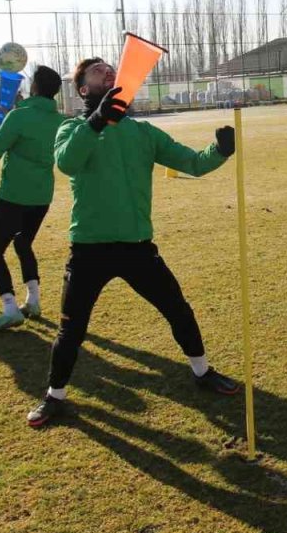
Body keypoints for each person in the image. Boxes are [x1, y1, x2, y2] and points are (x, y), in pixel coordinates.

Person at [28, 58, 241, 428]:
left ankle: (202, 373)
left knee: (177, 308)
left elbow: (192, 162)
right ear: (83, 89)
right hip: (89, 250)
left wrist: (219, 151)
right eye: (98, 71)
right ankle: (54, 397)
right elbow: (66, 162)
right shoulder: (71, 128)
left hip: (137, 247)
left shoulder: (143, 133)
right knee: (71, 329)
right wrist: (96, 122)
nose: (108, 72)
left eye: (111, 68)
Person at [0, 66, 65, 331]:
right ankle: (33, 300)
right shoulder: (60, 121)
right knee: (23, 243)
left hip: (14, 195)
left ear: (34, 87)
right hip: (42, 196)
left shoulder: (19, 117)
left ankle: (10, 307)